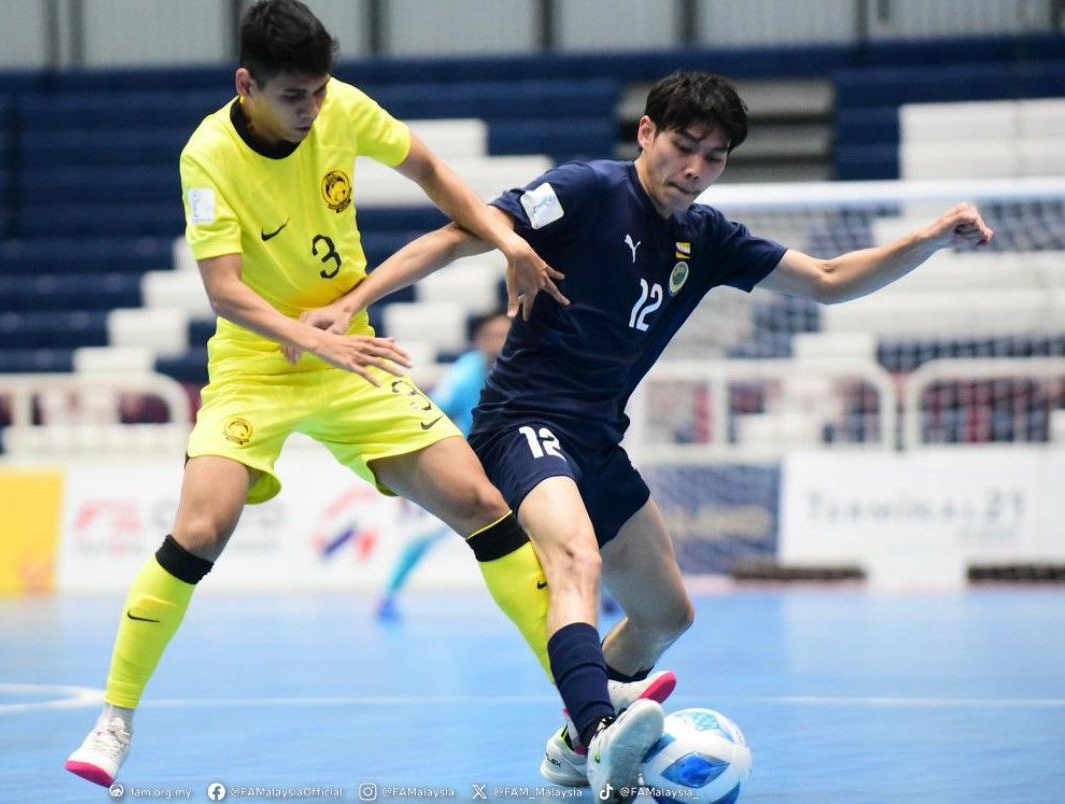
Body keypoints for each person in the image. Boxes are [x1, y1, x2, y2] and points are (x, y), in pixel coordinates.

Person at [299, 70, 993, 797]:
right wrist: (353, 303)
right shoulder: (586, 190)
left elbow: (825, 277)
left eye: (715, 157)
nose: (694, 170)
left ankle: (573, 743)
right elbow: (453, 237)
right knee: (574, 562)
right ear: (647, 134)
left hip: (597, 440)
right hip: (523, 423)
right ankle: (599, 733)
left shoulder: (707, 237)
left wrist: (928, 240)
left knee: (666, 613)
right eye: (684, 147)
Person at [65, 1, 666, 793]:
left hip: (353, 357)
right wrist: (321, 340)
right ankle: (116, 719)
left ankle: (591, 701)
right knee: (202, 526)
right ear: (247, 85)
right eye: (293, 98)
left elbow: (431, 173)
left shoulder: (339, 107)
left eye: (319, 91)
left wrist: (508, 238)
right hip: (261, 364)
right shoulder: (207, 154)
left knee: (483, 503)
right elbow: (225, 292)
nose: (312, 110)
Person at [375, 311, 509, 620]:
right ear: (478, 342)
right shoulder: (464, 374)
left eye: (505, 335)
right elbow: (434, 417)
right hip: (469, 471)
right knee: (427, 533)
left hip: (516, 464)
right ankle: (388, 594)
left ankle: (601, 596)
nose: (498, 343)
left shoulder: (526, 367)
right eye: (491, 336)